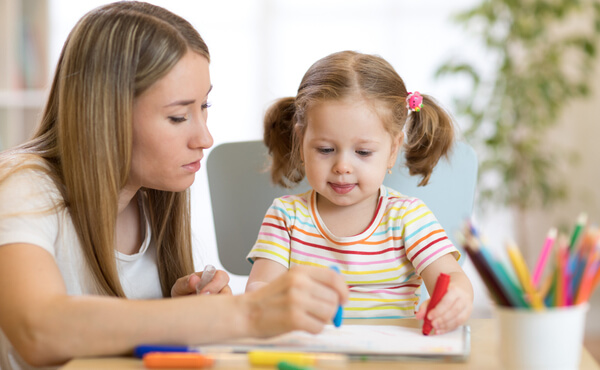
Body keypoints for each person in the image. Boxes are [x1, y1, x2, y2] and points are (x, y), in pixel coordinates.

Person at [0, 2, 348, 369]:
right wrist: (245, 313)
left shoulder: (152, 200)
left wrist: (176, 308)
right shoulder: (21, 184)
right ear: (105, 115)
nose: (205, 137)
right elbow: (38, 331)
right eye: (178, 116)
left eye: (205, 105)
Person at [245, 50, 473, 334]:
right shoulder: (286, 217)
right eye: (326, 150)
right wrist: (256, 297)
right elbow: (261, 289)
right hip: (311, 355)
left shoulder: (408, 216)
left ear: (392, 150)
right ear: (301, 141)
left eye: (363, 152)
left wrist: (456, 299)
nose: (342, 166)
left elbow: (451, 276)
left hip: (391, 357)